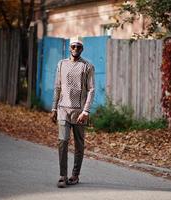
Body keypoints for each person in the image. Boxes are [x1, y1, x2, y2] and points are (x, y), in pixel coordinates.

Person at [51, 36, 95, 188]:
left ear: (82, 49)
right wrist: (54, 108)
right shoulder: (61, 64)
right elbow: (57, 87)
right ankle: (63, 176)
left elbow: (91, 89)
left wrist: (86, 111)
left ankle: (75, 175)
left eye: (78, 47)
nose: (75, 49)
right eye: (73, 46)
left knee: (79, 145)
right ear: (69, 47)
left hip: (79, 113)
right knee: (62, 141)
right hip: (63, 109)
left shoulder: (87, 66)